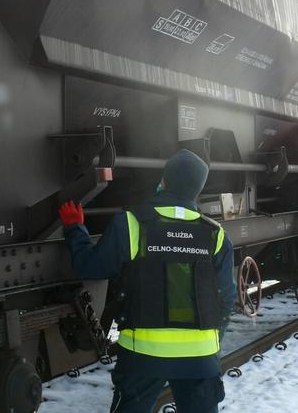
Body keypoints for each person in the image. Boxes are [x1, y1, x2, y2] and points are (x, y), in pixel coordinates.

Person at [59, 149, 236, 413]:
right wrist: (211, 341)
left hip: (143, 357)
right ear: (197, 190)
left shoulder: (132, 223)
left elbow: (91, 266)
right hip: (200, 359)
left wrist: (75, 228)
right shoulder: (215, 235)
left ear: (165, 181)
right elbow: (226, 297)